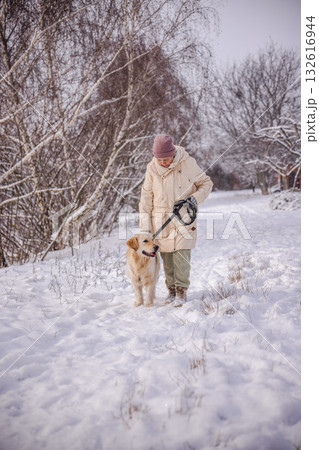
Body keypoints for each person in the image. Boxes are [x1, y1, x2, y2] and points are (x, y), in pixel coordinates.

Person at [139, 134, 213, 305]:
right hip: (160, 220)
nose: (164, 162)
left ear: (173, 153)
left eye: (167, 159)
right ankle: (171, 291)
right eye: (160, 160)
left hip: (183, 217)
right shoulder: (151, 168)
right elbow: (146, 198)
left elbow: (206, 183)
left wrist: (194, 199)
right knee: (168, 259)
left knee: (181, 255)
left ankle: (181, 292)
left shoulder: (188, 163)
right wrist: (145, 228)